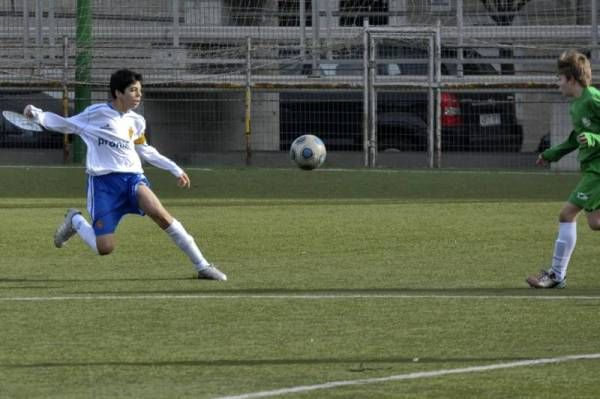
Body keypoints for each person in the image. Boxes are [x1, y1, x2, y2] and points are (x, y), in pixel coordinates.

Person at [24, 68, 227, 281]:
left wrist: (174, 168)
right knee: (105, 248)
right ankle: (74, 220)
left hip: (132, 179)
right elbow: (67, 125)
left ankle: (203, 266)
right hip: (103, 185)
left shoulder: (137, 121)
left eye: (140, 90)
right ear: (118, 93)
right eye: (133, 90)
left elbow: (144, 149)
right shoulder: (96, 113)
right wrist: (37, 114)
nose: (138, 95)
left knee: (162, 216)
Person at [526, 50, 600, 288]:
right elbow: (573, 139)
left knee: (567, 214)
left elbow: (588, 136)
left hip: (598, 169)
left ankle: (557, 275)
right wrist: (550, 154)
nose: (557, 83)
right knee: (595, 222)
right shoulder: (577, 105)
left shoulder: (592, 99)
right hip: (592, 168)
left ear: (571, 79)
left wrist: (594, 138)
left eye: (559, 78)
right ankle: (557, 276)